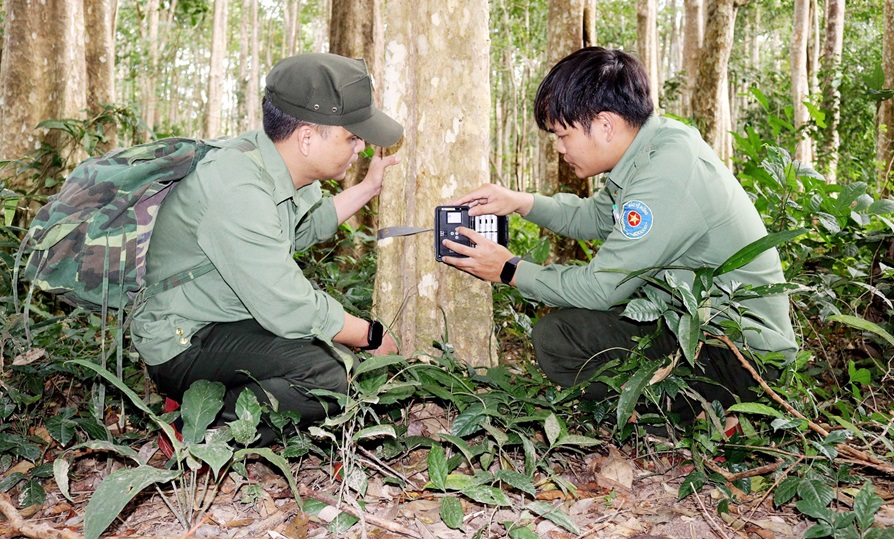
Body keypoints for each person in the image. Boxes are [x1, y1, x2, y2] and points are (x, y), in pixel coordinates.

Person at [442, 47, 798, 428]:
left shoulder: (664, 175)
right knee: (562, 335)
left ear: (605, 125)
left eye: (563, 135)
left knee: (557, 338)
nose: (560, 148)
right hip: (691, 331)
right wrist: (521, 202)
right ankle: (690, 409)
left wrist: (509, 270)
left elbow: (602, 288)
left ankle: (701, 416)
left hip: (743, 360)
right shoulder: (651, 147)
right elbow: (598, 217)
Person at [131, 53, 402, 446]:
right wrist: (372, 335)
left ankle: (211, 404)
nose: (360, 147)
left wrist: (367, 188)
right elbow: (288, 306)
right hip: (183, 340)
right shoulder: (236, 188)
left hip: (225, 321)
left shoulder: (268, 161)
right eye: (351, 136)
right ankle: (201, 421)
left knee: (337, 359)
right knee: (332, 378)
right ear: (307, 137)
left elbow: (302, 229)